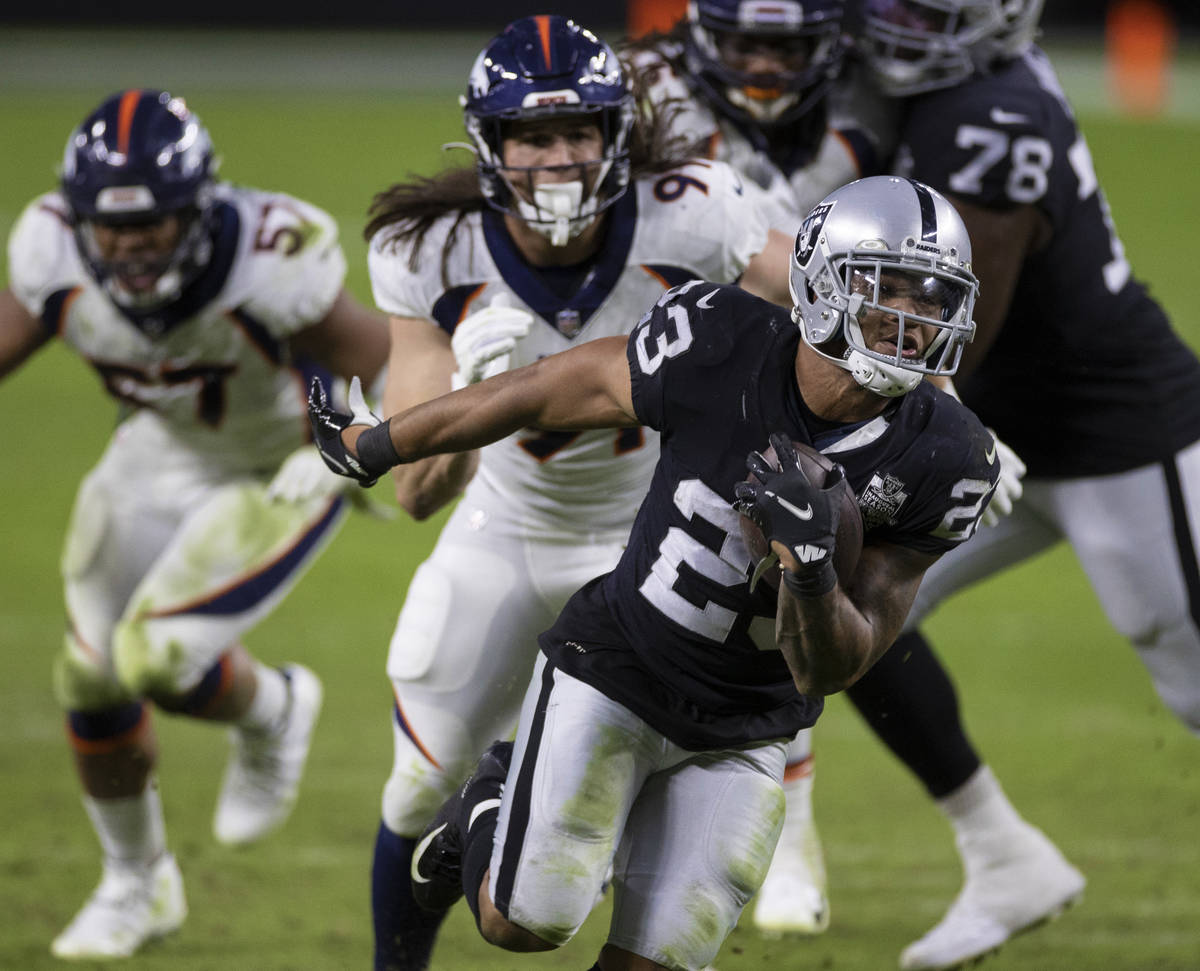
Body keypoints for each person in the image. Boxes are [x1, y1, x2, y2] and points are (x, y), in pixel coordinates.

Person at [311, 174, 1001, 971]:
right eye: (890, 294)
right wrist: (381, 442)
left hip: (751, 726)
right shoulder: (719, 339)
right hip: (619, 667)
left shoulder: (949, 456)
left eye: (934, 299)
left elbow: (835, 662)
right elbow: (545, 388)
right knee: (522, 920)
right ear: (821, 283)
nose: (915, 325)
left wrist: (811, 571)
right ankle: (487, 803)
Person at [360, 16, 794, 971]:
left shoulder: (696, 212)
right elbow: (416, 496)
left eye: (578, 133)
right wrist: (472, 399)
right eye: (531, 136)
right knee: (413, 786)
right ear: (491, 145)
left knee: (613, 817)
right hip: (504, 527)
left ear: (615, 137)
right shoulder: (428, 251)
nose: (557, 158)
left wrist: (941, 402)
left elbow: (835, 305)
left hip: (651, 541)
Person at [829, 2, 1200, 967]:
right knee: (847, 614)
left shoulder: (988, 113)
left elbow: (955, 329)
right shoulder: (934, 82)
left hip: (1114, 429)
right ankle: (1004, 855)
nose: (899, 25)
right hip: (997, 426)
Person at [0, 89, 389, 960]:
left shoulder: (268, 258)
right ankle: (137, 882)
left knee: (158, 656)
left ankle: (275, 708)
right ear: (79, 220)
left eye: (155, 227)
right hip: (156, 454)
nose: (132, 249)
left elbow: (391, 357)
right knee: (89, 679)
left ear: (200, 213)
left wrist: (353, 444)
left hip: (278, 465)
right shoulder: (48, 251)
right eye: (113, 229)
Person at [626, 0, 896, 934]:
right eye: (745, 40)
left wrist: (944, 407)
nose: (765, 64)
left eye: (786, 44)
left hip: (817, 378)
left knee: (799, 572)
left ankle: (790, 826)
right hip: (668, 363)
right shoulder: (644, 94)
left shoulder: (873, 109)